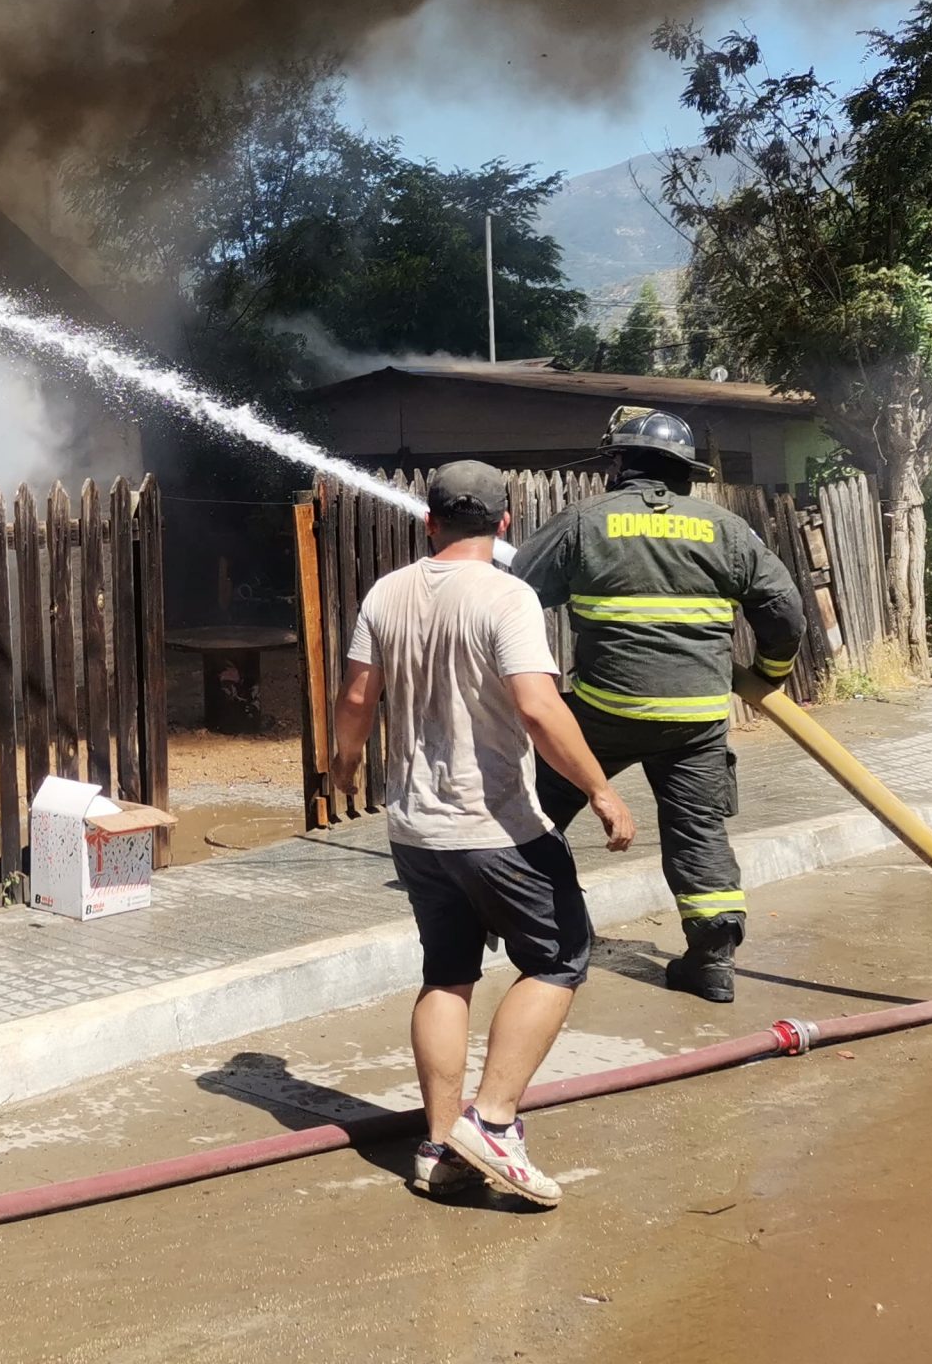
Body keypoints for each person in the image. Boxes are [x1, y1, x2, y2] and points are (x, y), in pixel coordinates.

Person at [331, 461, 636, 1209]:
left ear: (429, 520)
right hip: (498, 825)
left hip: (415, 829)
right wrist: (600, 788)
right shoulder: (508, 595)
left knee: (447, 974)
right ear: (505, 524)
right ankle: (492, 1124)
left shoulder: (385, 592)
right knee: (559, 957)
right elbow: (536, 705)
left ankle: (439, 1146)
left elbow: (356, 696)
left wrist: (341, 768)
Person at [512, 408, 806, 1003]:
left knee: (534, 810)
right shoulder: (725, 528)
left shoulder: (584, 522)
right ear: (685, 473)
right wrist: (769, 675)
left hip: (604, 714)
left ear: (618, 465)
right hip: (697, 720)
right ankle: (713, 962)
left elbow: (515, 591)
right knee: (699, 833)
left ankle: (541, 933)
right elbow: (786, 612)